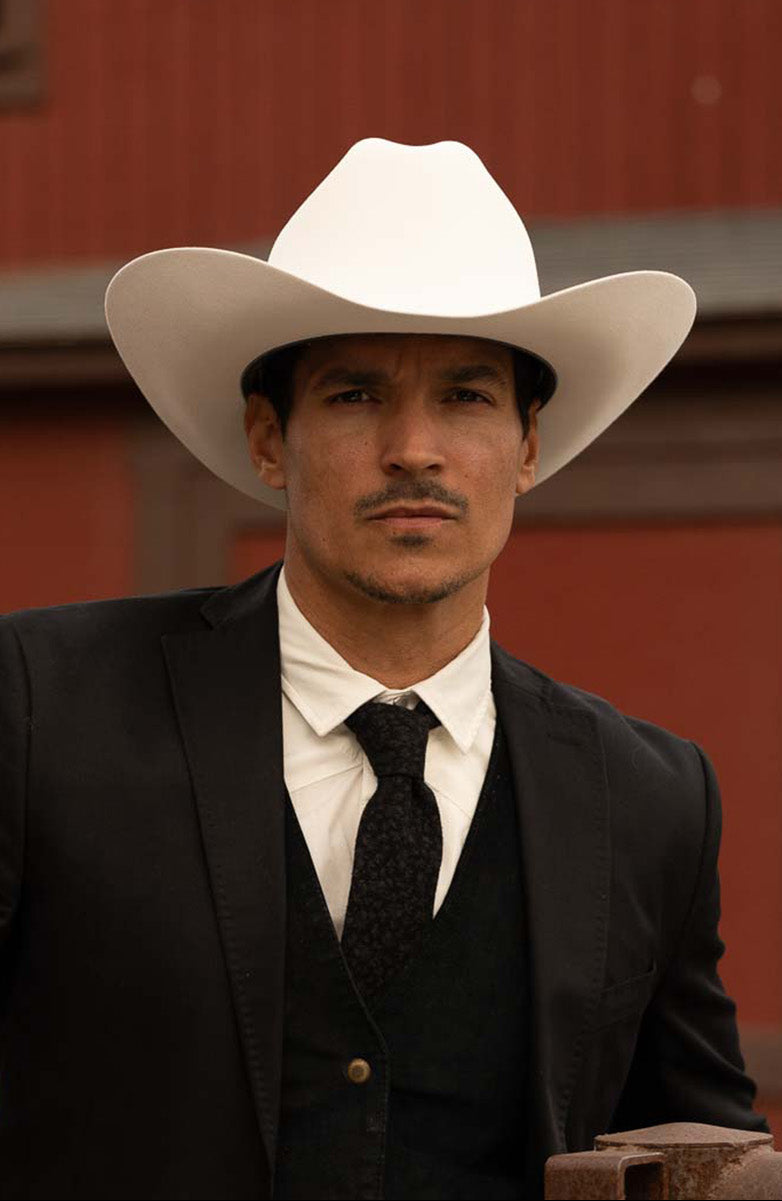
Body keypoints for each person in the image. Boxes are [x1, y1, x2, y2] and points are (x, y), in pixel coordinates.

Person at [0, 138, 768, 1200]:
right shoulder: (43, 708)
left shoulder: (647, 796)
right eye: (357, 396)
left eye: (464, 397)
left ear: (528, 444)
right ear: (270, 441)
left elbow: (699, 1146)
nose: (414, 448)